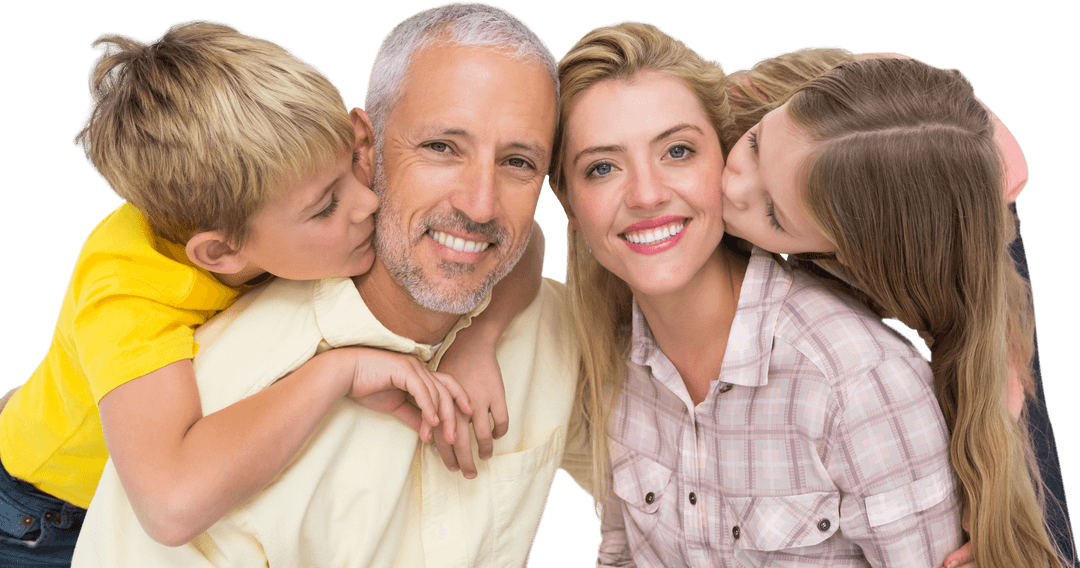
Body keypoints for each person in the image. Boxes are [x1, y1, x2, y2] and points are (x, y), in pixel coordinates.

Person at [0, 18, 536, 566]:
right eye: (326, 206)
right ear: (222, 253)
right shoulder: (126, 295)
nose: (366, 204)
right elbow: (168, 506)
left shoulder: (295, 175)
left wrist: (479, 341)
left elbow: (510, 232)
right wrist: (338, 371)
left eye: (355, 160)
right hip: (45, 513)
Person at [550, 21, 969, 566]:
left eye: (677, 151)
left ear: (724, 162)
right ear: (569, 205)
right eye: (602, 168)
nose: (647, 194)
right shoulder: (609, 361)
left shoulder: (856, 380)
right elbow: (622, 554)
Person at [721, 49, 1068, 568]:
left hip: (966, 213)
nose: (731, 186)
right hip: (893, 117)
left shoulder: (937, 257)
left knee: (1005, 455)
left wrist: (981, 510)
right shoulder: (765, 103)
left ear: (834, 256)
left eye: (773, 213)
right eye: (751, 148)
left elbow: (978, 346)